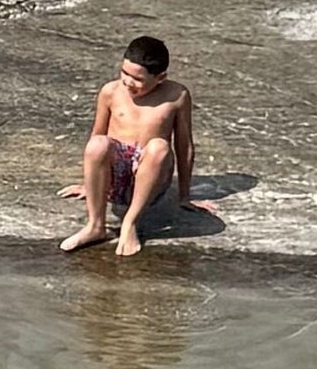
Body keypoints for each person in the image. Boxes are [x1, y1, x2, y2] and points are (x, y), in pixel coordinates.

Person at [59, 34, 213, 257]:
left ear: (160, 77)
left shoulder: (177, 95)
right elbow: (97, 134)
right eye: (125, 73)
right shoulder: (110, 91)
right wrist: (89, 185)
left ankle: (130, 223)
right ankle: (95, 226)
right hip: (115, 179)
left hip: (151, 178)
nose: (129, 82)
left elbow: (184, 145)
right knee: (98, 144)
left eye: (138, 79)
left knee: (159, 146)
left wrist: (184, 195)